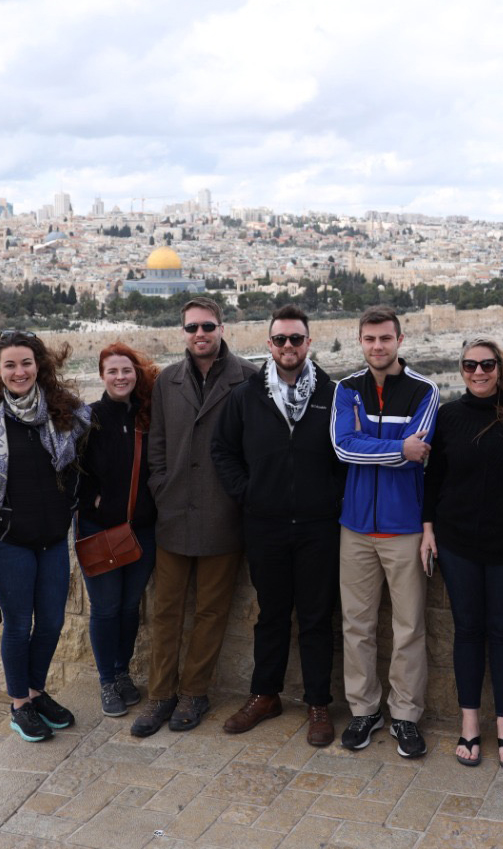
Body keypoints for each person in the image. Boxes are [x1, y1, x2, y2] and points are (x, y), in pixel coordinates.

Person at [211, 305, 345, 747]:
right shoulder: (247, 395)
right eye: (280, 339)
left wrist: (332, 497)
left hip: (318, 526)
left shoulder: (333, 394)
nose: (288, 346)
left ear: (309, 343)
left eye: (296, 339)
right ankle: (265, 695)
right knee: (270, 615)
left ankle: (318, 703)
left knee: (315, 618)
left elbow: (347, 455)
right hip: (265, 524)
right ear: (269, 344)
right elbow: (222, 450)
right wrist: (250, 493)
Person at [133, 297, 258, 738]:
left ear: (221, 328)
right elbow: (159, 442)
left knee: (211, 611)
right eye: (191, 328)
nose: (199, 334)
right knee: (165, 610)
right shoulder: (168, 380)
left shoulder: (248, 377)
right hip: (175, 512)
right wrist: (161, 487)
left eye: (207, 326)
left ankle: (195, 692)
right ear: (182, 333)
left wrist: (241, 496)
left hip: (224, 513)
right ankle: (160, 695)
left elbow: (256, 445)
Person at [0, 330, 90, 742]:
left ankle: (36, 692)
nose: (19, 372)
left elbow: (79, 466)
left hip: (51, 538)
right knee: (18, 625)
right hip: (8, 541)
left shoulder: (62, 413)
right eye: (10, 365)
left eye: (26, 363)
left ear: (39, 366)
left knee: (50, 621)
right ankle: (19, 706)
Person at [420, 338, 503, 767]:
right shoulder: (449, 416)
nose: (478, 372)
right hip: (459, 542)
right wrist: (428, 530)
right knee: (468, 630)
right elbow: (433, 478)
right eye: (469, 365)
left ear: (499, 367)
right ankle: (470, 725)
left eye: (486, 364)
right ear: (461, 369)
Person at [332, 305, 439, 758]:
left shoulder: (424, 390)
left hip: (403, 528)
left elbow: (422, 448)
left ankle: (406, 717)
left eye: (385, 338)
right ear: (360, 341)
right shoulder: (346, 389)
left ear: (399, 340)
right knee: (356, 624)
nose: (378, 346)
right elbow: (342, 446)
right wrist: (399, 448)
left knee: (409, 626)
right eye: (370, 339)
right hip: (355, 526)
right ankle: (364, 709)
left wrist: (373, 446)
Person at [77, 342, 160, 717]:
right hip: (100, 530)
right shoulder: (88, 418)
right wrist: (96, 501)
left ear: (136, 373)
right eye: (113, 371)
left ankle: (122, 672)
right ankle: (107, 681)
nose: (121, 377)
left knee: (129, 608)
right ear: (102, 376)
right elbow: (69, 471)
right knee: (107, 609)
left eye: (126, 370)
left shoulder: (148, 416)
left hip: (141, 529)